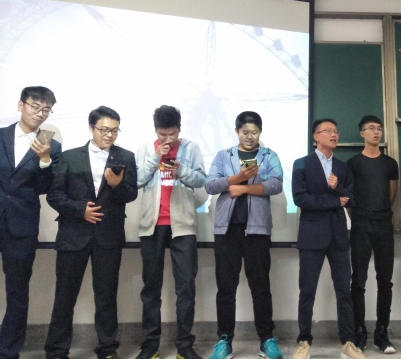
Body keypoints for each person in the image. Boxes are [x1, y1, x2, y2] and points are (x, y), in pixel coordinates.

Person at [44, 106, 138, 359]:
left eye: (114, 131)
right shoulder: (69, 157)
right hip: (73, 235)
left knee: (106, 296)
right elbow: (54, 195)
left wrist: (118, 185)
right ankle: (56, 351)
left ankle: (107, 349)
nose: (109, 135)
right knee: (65, 295)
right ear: (91, 128)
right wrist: (79, 210)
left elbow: (131, 194)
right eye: (104, 129)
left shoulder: (126, 157)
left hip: (108, 236)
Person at [205, 112, 285, 359]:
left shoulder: (269, 156)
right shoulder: (223, 156)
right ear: (237, 132)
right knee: (225, 288)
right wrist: (237, 178)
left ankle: (266, 340)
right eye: (245, 132)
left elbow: (276, 184)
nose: (250, 137)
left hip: (257, 230)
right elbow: (210, 184)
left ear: (260, 132)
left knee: (260, 286)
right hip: (227, 230)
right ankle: (224, 341)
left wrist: (244, 188)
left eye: (255, 132)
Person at [135, 105, 207, 359]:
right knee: (151, 288)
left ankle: (185, 346)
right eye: (162, 134)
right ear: (156, 130)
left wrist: (180, 170)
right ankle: (150, 346)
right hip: (152, 224)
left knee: (185, 287)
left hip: (182, 224)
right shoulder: (146, 149)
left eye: (172, 133)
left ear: (179, 129)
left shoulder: (191, 149)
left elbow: (201, 180)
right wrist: (155, 158)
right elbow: (136, 181)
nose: (168, 139)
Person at [291, 119, 366, 359]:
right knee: (307, 291)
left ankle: (348, 342)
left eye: (336, 131)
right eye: (328, 131)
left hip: (338, 236)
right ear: (316, 136)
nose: (334, 135)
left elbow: (352, 199)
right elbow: (300, 199)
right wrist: (334, 201)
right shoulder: (301, 164)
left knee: (344, 291)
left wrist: (338, 187)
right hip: (311, 235)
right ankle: (304, 341)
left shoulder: (342, 167)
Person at [0, 86, 62, 359]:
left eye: (46, 109)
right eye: (35, 106)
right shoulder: (1, 136)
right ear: (20, 105)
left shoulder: (52, 147)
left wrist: (45, 160)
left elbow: (46, 188)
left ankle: (8, 351)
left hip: (22, 226)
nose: (40, 113)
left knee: (17, 292)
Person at [347, 116, 398, 354]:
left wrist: (379, 212)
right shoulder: (353, 163)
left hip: (384, 224)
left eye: (379, 128)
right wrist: (361, 216)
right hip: (360, 225)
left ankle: (382, 332)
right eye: (371, 128)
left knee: (385, 281)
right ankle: (359, 330)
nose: (376, 132)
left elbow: (391, 195)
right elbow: (349, 199)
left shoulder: (390, 163)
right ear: (362, 134)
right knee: (358, 280)